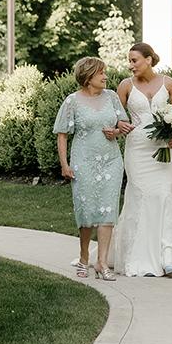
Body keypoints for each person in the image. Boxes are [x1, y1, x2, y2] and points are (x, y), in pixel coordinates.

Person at [112, 43, 172, 277]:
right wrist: (118, 126)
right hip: (136, 150)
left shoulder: (169, 84)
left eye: (134, 60)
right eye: (129, 60)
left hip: (163, 151)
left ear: (148, 60)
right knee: (140, 195)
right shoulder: (125, 86)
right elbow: (114, 117)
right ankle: (136, 256)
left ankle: (169, 258)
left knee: (164, 195)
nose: (130, 65)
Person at [54, 56, 128, 280]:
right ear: (88, 77)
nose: (106, 76)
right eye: (101, 73)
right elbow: (62, 134)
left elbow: (123, 126)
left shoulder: (112, 97)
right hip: (83, 161)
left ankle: (102, 262)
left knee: (108, 211)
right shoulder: (72, 101)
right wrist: (64, 164)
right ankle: (84, 257)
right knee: (86, 213)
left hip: (111, 161)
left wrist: (115, 132)